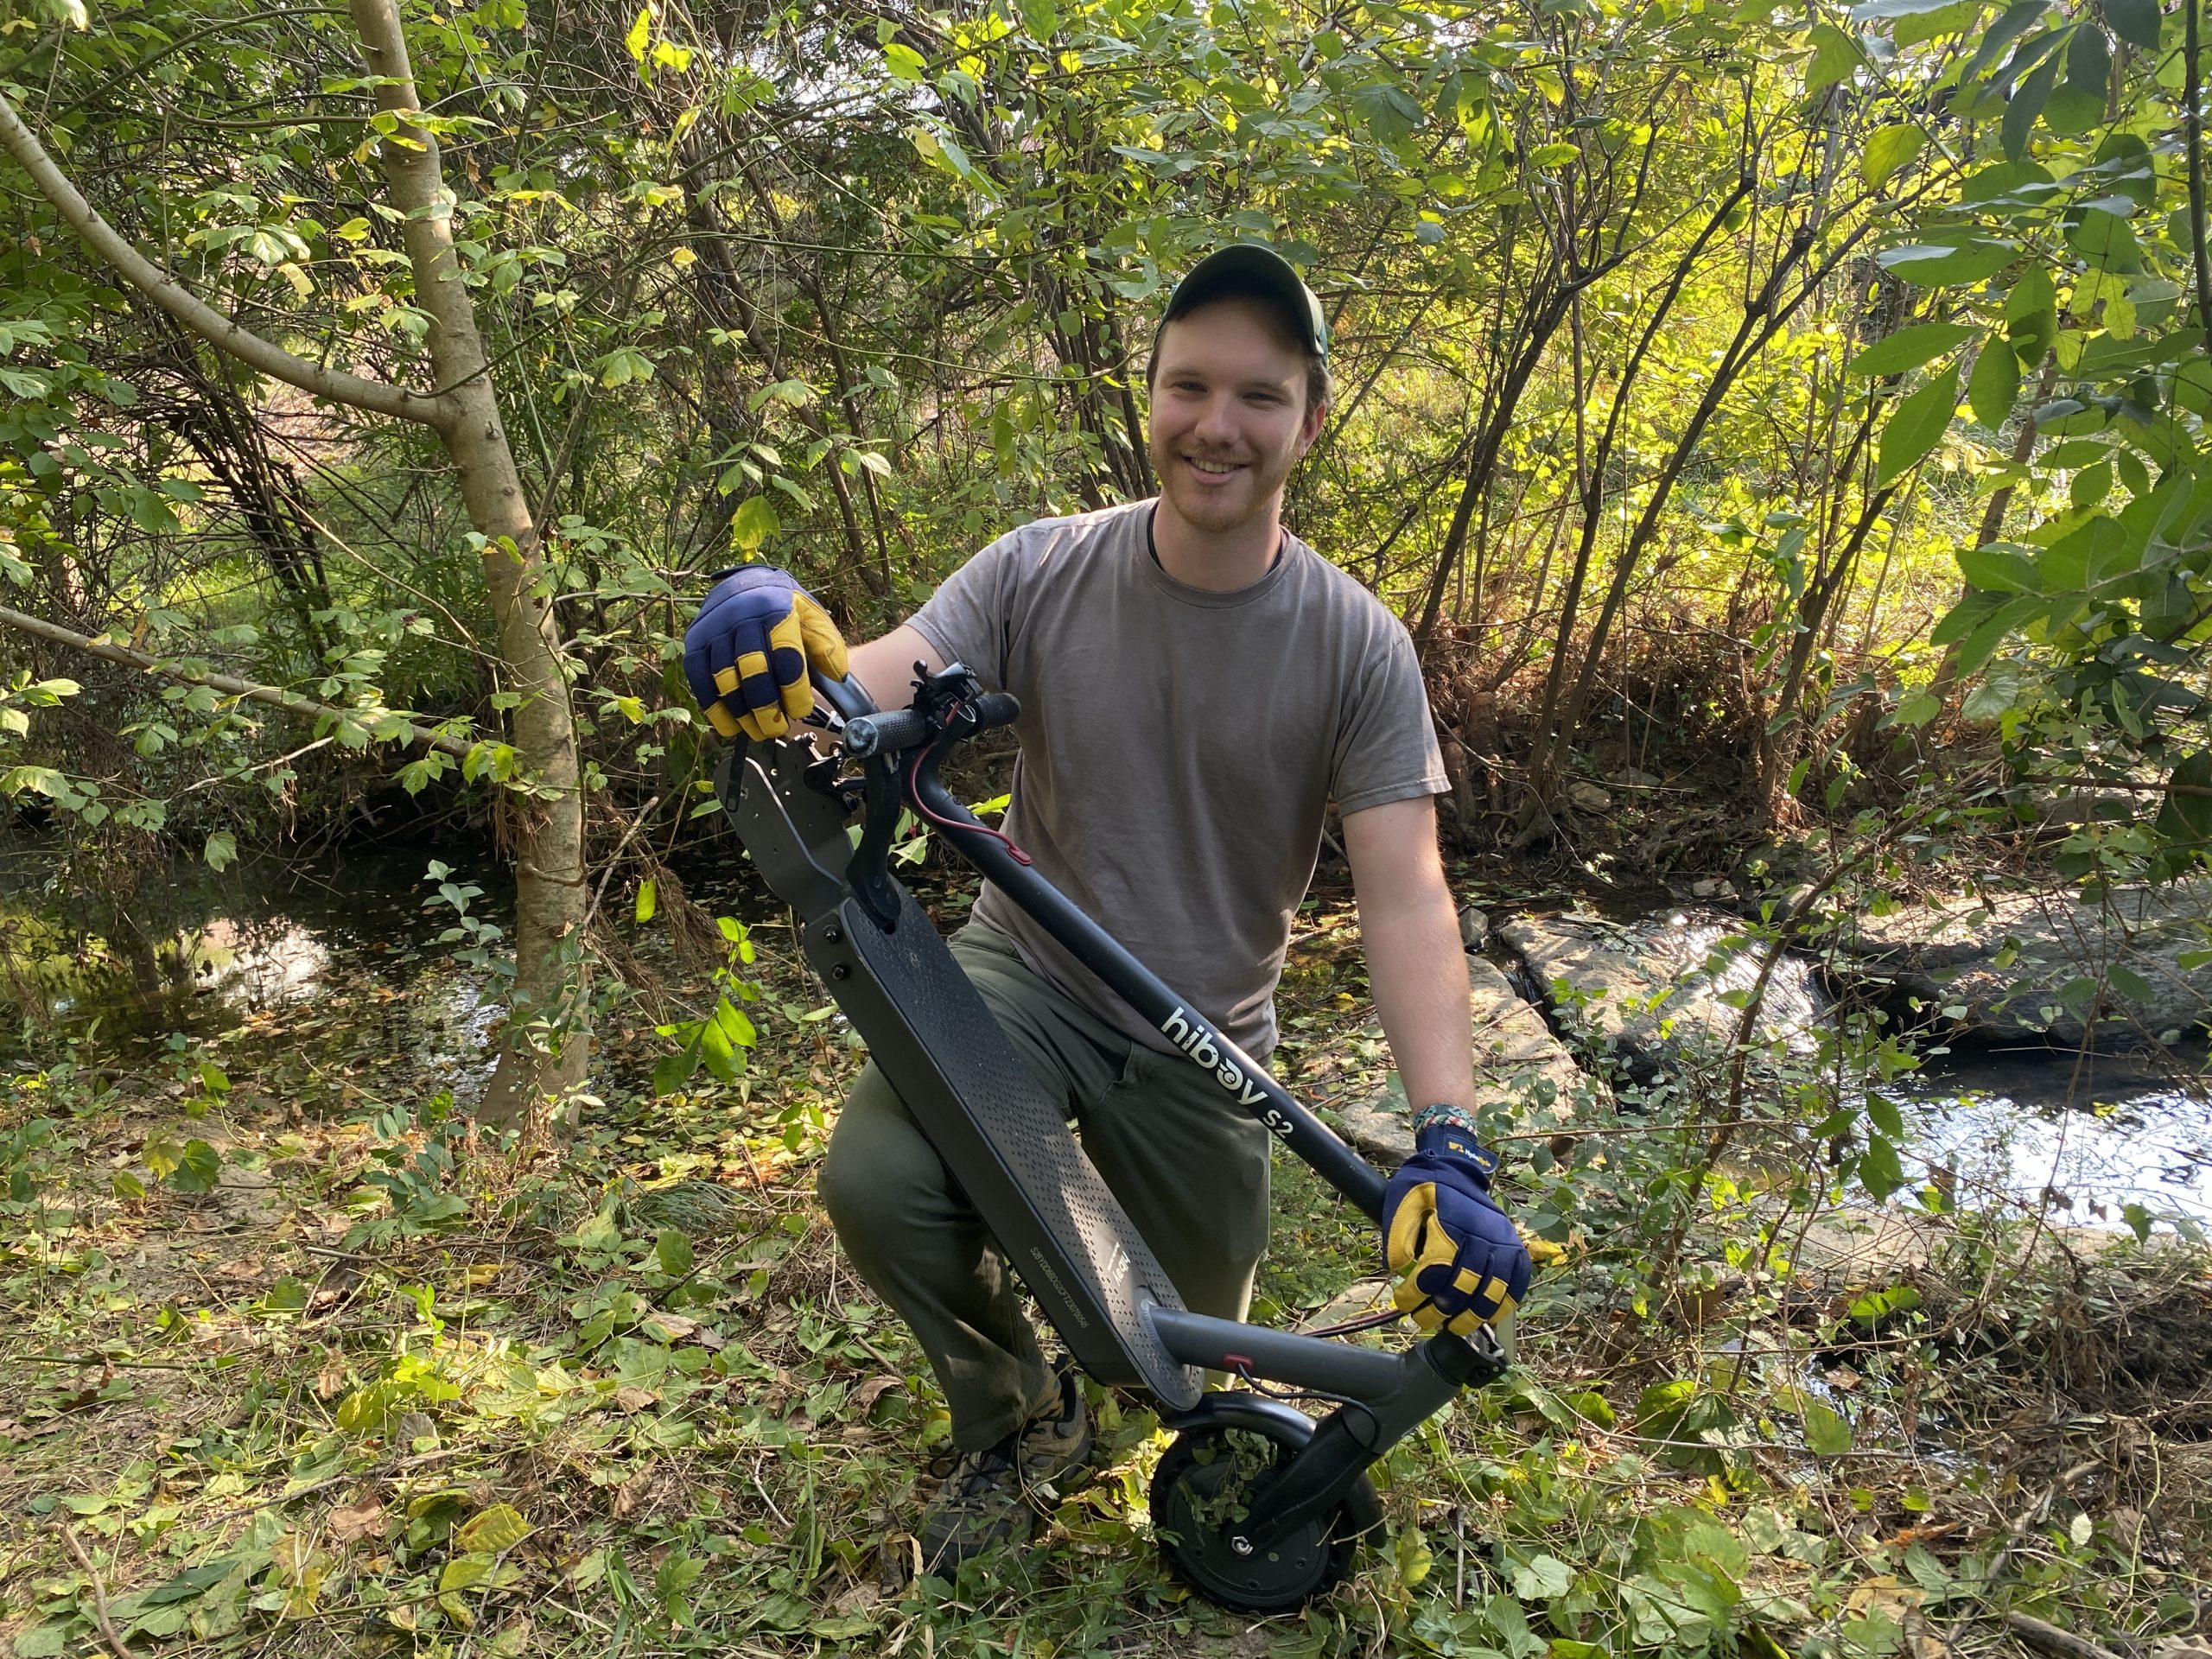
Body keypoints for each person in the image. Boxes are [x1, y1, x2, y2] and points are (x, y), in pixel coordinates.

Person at [684, 245, 1532, 1570]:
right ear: (1148, 401)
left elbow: (1405, 894)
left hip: (1210, 1032)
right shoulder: (1039, 571)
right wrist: (779, 629)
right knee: (879, 1182)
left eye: (1259, 395)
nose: (1217, 425)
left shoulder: (1355, 643)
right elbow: (871, 680)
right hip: (1030, 975)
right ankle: (1015, 1414)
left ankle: (1116, 1391)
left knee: (1176, 1361)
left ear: (1311, 420)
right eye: (1187, 387)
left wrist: (1448, 1140)